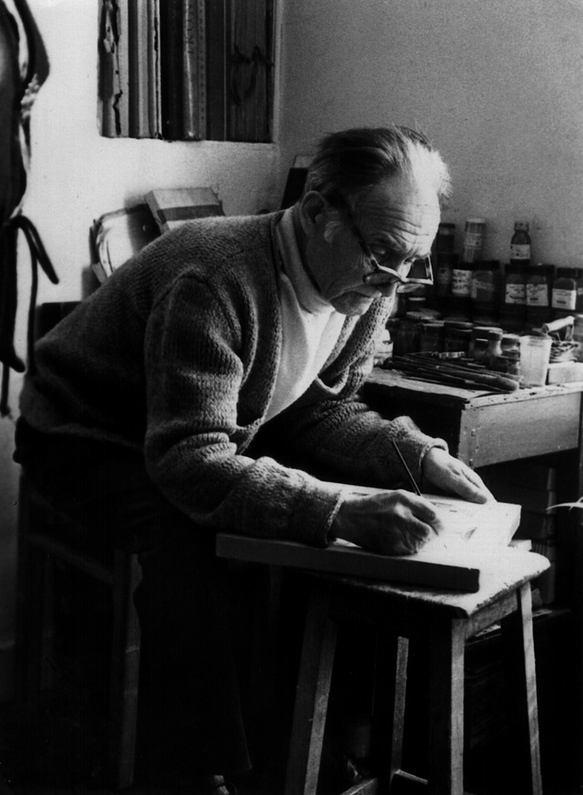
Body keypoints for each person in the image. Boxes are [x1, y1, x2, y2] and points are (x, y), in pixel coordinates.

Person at [14, 125, 492, 794]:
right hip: (82, 430)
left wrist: (413, 457)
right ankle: (196, 772)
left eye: (413, 261)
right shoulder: (214, 276)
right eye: (384, 254)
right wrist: (334, 510)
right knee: (194, 537)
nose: (395, 282)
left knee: (340, 505)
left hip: (187, 430)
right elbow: (189, 460)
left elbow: (319, 412)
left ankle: (315, 743)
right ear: (318, 212)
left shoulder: (366, 290)